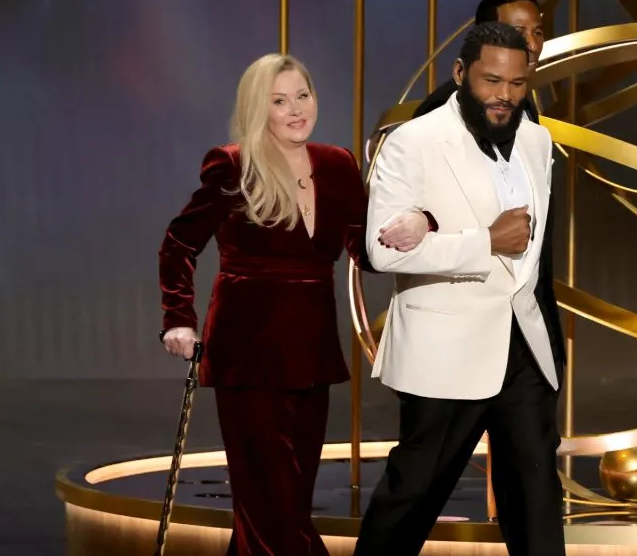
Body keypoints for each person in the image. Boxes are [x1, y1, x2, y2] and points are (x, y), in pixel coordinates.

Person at [157, 53, 432, 556]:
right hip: (247, 354)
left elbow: (366, 251)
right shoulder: (232, 163)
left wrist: (421, 220)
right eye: (279, 101)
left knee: (280, 508)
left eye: (302, 96)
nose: (295, 110)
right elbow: (179, 244)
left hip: (311, 353)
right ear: (258, 109)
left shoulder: (338, 164)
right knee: (273, 511)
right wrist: (178, 319)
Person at [354, 22, 566, 556]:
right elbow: (382, 252)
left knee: (538, 502)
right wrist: (486, 242)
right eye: (491, 81)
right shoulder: (413, 141)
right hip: (445, 351)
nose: (504, 96)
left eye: (517, 84)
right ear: (460, 74)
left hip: (521, 349)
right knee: (413, 495)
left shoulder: (537, 141)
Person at [411, 0, 563, 367]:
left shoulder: (527, 112)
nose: (530, 45)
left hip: (521, 327)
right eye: (517, 32)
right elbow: (420, 228)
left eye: (537, 33)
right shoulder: (440, 113)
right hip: (459, 331)